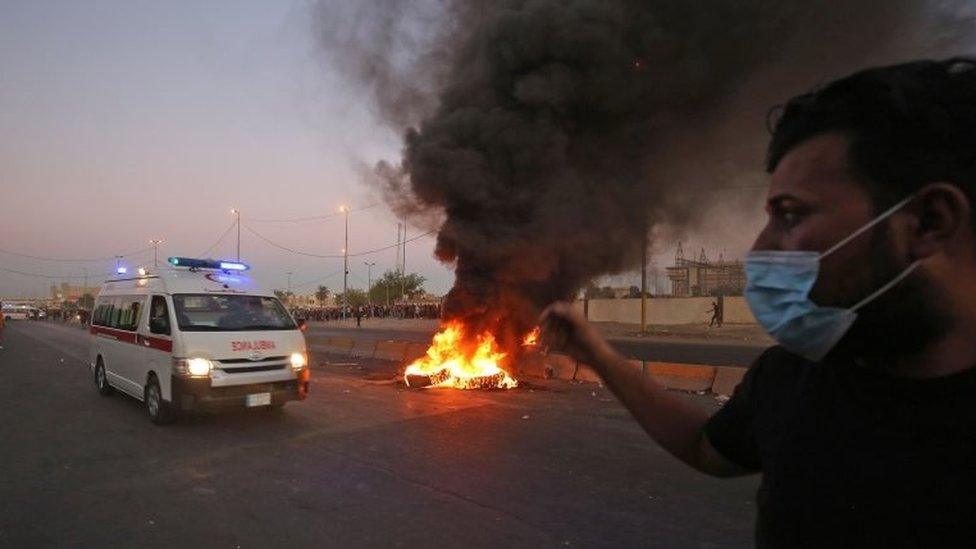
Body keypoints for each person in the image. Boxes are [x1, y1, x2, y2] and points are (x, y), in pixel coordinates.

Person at [541, 58, 976, 548]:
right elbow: (708, 449)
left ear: (929, 222)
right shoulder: (795, 375)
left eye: (790, 215)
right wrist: (598, 355)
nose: (759, 249)